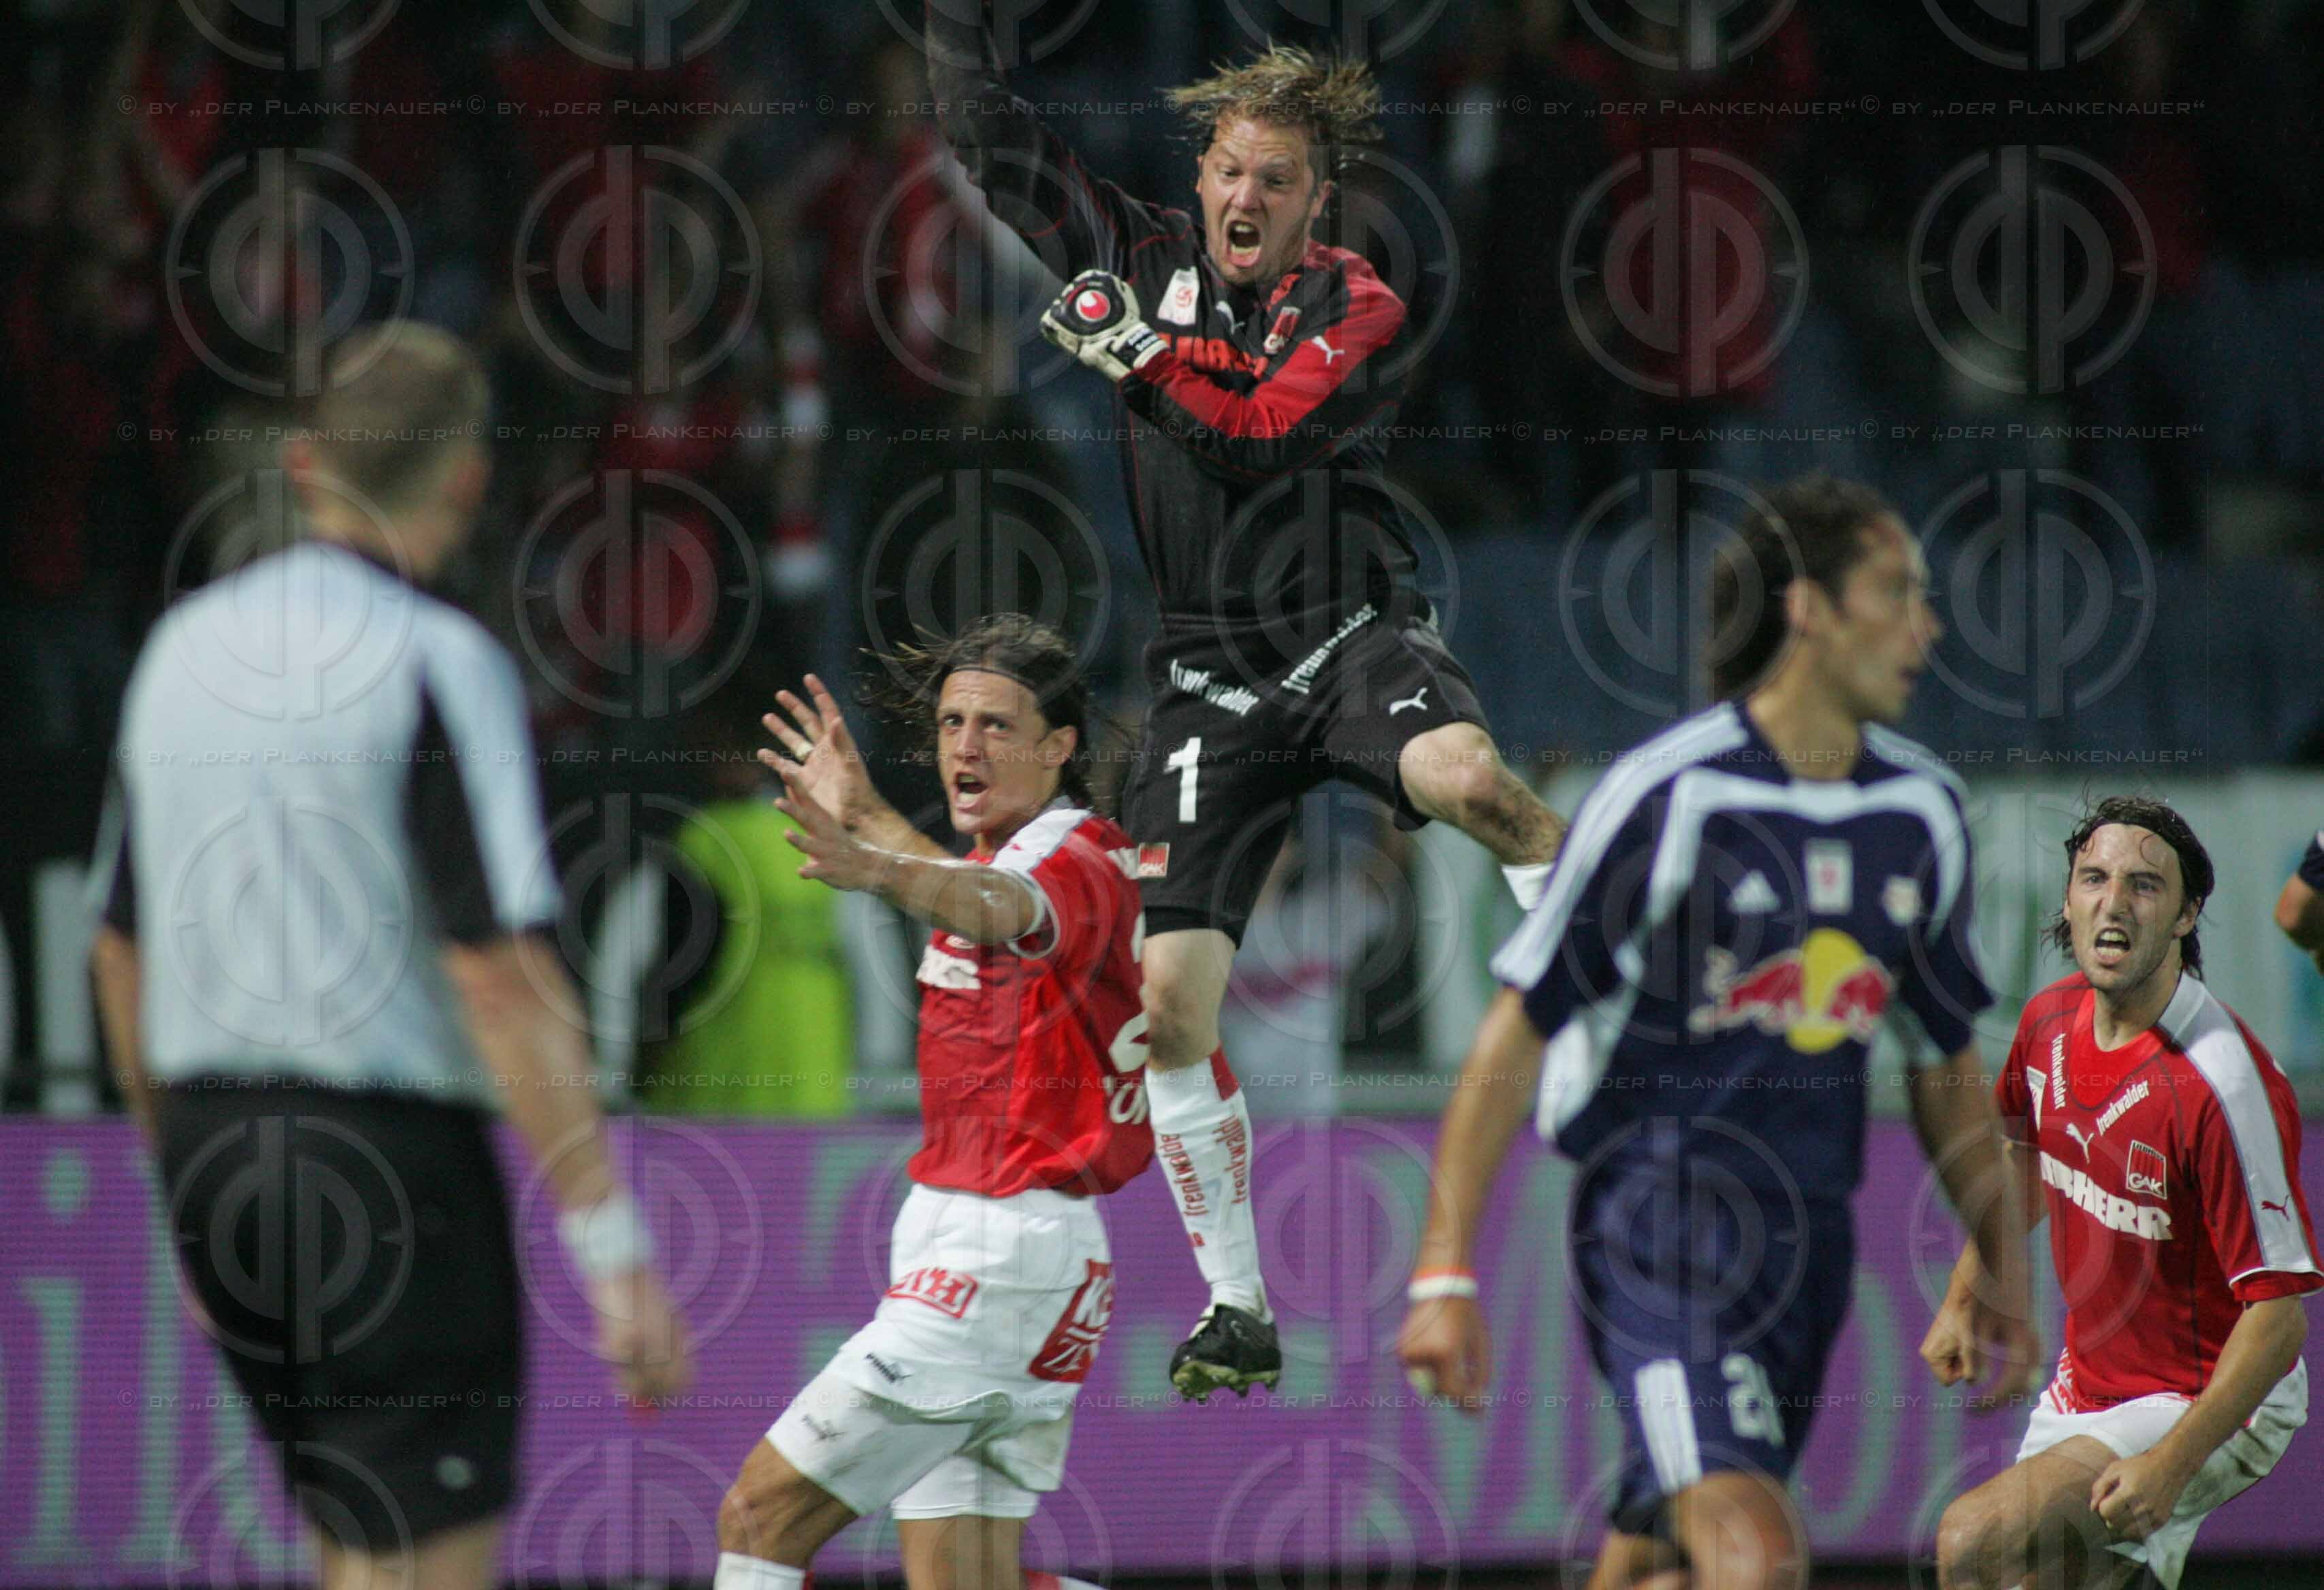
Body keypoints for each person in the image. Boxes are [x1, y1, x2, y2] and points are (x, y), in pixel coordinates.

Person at [925, 1, 1566, 1401]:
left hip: (1344, 634)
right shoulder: (1135, 258)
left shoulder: (1359, 302)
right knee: (1167, 1002)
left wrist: (1135, 354)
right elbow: (990, 141)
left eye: (1276, 180)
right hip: (1205, 672)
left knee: (1470, 782)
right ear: (1199, 175)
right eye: (1228, 170)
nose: (1247, 197)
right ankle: (1238, 1308)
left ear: (1314, 201)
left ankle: (1596, 986)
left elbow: (1266, 434)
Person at [86, 323, 692, 1590]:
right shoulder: (436, 660)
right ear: (467, 478)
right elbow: (496, 976)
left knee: (356, 1548)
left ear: (306, 464)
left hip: (215, 1155)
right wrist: (612, 1250)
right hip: (385, 1166)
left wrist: (179, 1193)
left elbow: (117, 951)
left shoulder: (180, 650)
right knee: (430, 1561)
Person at [1395, 474, 2037, 1590]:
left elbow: (1940, 1066)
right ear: (1809, 609)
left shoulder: (1922, 812)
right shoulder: (1667, 795)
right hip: (1660, 1223)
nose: (1926, 628)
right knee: (1754, 1550)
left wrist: (2001, 1268)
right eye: (1895, 592)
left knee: (1662, 1544)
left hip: (1809, 1242)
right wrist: (1442, 1272)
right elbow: (1516, 1031)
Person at [714, 615, 1180, 1590]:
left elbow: (1001, 909)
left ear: (1058, 746)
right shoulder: (1014, 857)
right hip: (1006, 1249)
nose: (966, 746)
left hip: (998, 1255)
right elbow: (976, 886)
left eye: (998, 725)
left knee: (760, 1518)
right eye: (951, 723)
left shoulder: (1075, 861)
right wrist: (869, 815)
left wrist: (876, 866)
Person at [1926, 798, 2320, 1590]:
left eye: (2145, 884)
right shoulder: (2046, 1021)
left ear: (2186, 914)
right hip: (2088, 1386)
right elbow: (2027, 1161)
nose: (2114, 901)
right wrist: (1966, 1295)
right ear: (2068, 899)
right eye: (2094, 878)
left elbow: (2279, 1320)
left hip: (2210, 1396)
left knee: (1971, 1543)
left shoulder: (2223, 1083)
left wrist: (2171, 1463)